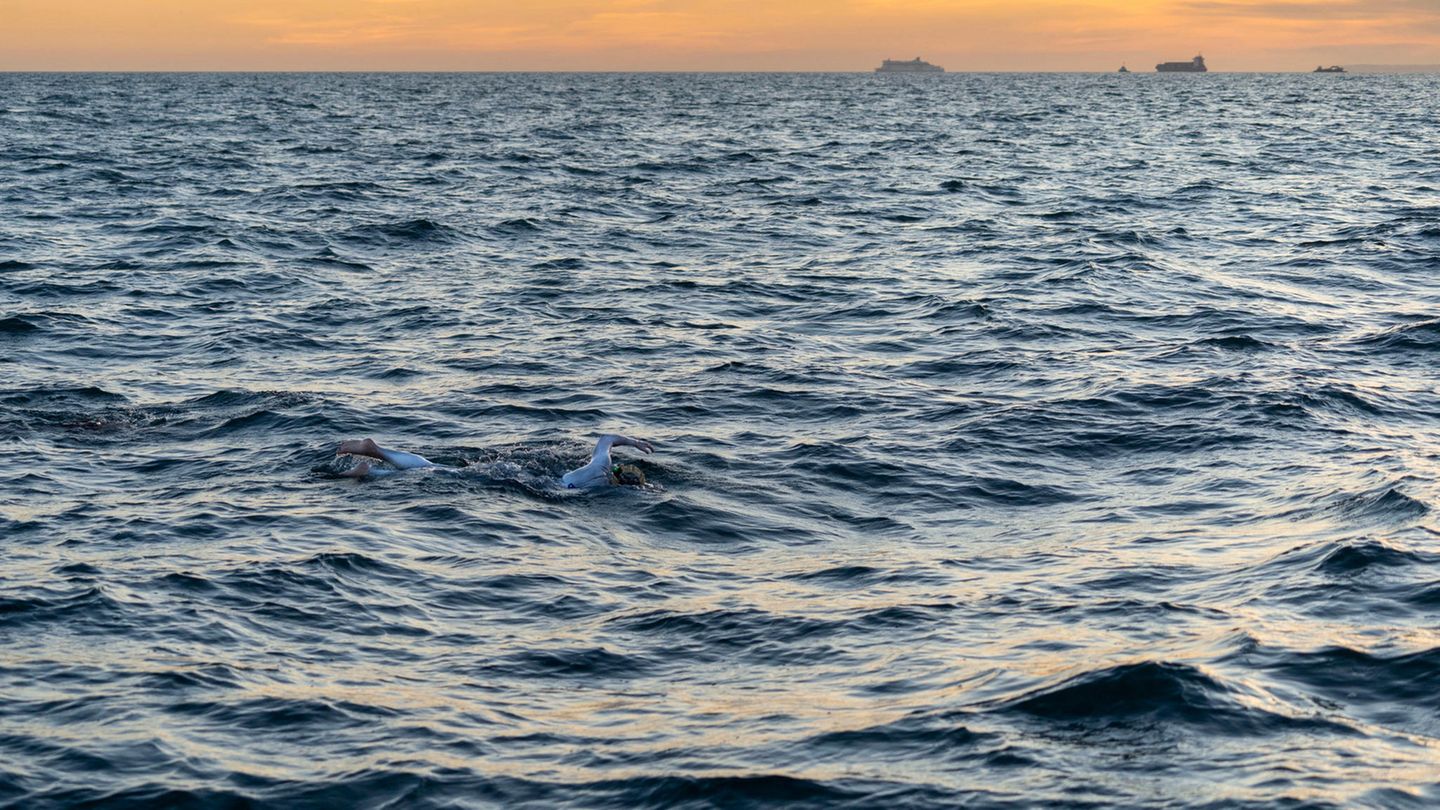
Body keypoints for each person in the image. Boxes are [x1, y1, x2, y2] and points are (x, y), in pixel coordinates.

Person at [335, 433, 654, 487]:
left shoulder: (600, 463)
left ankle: (374, 467)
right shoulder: (602, 481)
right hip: (528, 483)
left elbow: (606, 439)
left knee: (441, 470)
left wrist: (635, 442)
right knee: (440, 474)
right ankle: (375, 466)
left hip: (517, 472)